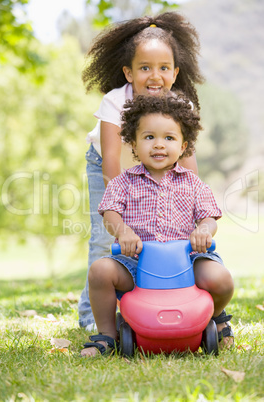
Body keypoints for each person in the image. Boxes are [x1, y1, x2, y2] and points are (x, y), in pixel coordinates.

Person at [80, 93, 235, 357]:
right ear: (133, 143)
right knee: (100, 271)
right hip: (137, 262)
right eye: (149, 137)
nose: (159, 145)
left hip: (186, 261)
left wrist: (203, 230)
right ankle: (106, 336)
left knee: (221, 279)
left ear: (184, 145)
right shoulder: (122, 183)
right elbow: (110, 214)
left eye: (169, 138)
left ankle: (217, 318)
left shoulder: (193, 183)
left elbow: (209, 218)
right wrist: (123, 231)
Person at [78, 11, 205, 330]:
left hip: (159, 165)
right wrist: (120, 218)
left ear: (175, 73)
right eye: (144, 68)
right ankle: (92, 319)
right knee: (104, 239)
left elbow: (187, 163)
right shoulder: (115, 101)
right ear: (128, 72)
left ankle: (172, 304)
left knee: (165, 236)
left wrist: (196, 213)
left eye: (163, 68)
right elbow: (111, 161)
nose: (154, 76)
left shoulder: (181, 106)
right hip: (110, 169)